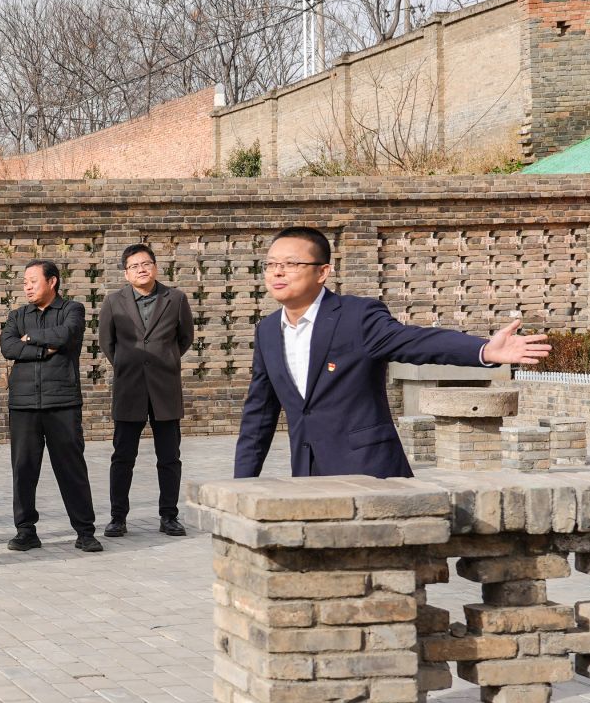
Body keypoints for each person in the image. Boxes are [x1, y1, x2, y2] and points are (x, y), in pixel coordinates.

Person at [235, 226, 549, 478]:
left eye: (291, 264)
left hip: (369, 471)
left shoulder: (356, 317)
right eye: (272, 265)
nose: (278, 272)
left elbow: (415, 342)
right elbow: (259, 415)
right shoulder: (267, 331)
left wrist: (483, 350)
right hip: (308, 475)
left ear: (322, 272)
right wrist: (242, 484)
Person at [0, 259, 100, 553]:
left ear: (52, 281)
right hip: (23, 404)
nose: (27, 287)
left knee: (71, 469)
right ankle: (25, 531)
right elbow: (8, 347)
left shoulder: (72, 309)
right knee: (23, 469)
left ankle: (85, 532)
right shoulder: (17, 315)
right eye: (25, 282)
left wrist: (30, 339)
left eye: (33, 281)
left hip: (62, 402)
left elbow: (66, 334)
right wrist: (45, 350)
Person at [98, 244, 195, 537]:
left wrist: (165, 360)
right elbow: (107, 343)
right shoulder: (113, 302)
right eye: (134, 266)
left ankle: (169, 516)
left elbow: (185, 338)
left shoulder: (175, 299)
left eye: (146, 264)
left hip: (165, 388)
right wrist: (129, 364)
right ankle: (118, 517)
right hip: (130, 388)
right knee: (122, 457)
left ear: (155, 267)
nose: (141, 269)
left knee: (169, 457)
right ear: (126, 273)